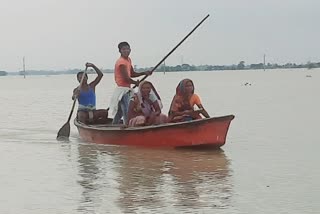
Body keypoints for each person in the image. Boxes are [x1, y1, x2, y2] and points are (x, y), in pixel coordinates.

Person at [109, 41, 152, 125]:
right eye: (124, 49)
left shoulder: (128, 60)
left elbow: (132, 74)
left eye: (128, 49)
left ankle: (114, 125)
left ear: (130, 50)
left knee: (120, 111)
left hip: (127, 89)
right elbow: (126, 78)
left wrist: (144, 73)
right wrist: (135, 82)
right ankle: (127, 127)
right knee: (126, 110)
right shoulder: (121, 62)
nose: (126, 51)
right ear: (120, 51)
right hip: (123, 91)